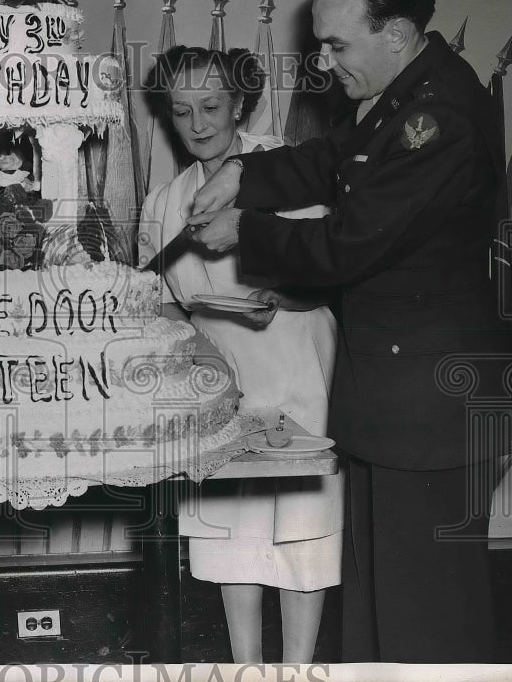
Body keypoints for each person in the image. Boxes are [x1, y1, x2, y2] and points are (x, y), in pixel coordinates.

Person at [187, 0, 512, 662]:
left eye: (338, 43)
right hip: (391, 405)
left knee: (428, 630)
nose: (325, 61)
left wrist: (243, 227)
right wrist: (242, 171)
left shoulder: (440, 118)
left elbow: (348, 245)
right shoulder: (399, 98)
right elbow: (329, 159)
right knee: (377, 620)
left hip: (429, 411)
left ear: (395, 32)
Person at [138, 46, 343, 663]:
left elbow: (332, 267)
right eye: (182, 111)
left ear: (240, 105)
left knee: (299, 528)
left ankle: (299, 669)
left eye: (212, 106)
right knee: (235, 532)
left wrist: (280, 295)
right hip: (214, 376)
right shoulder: (164, 203)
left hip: (294, 359)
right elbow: (164, 303)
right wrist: (200, 346)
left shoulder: (285, 170)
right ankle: (246, 669)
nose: (198, 124)